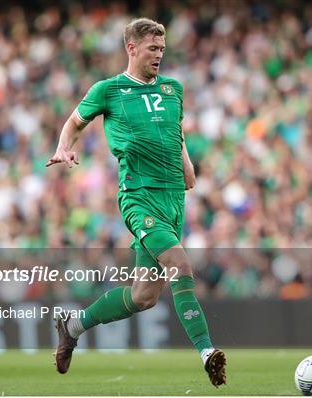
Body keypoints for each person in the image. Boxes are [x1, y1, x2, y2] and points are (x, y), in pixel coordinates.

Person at [46, 18, 227, 388]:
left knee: (144, 296)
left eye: (162, 49)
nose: (159, 55)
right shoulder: (109, 90)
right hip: (138, 197)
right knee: (180, 263)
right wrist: (65, 147)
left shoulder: (174, 89)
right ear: (132, 48)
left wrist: (187, 164)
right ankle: (208, 352)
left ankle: (73, 325)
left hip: (173, 198)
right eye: (152, 49)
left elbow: (175, 135)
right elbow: (75, 122)